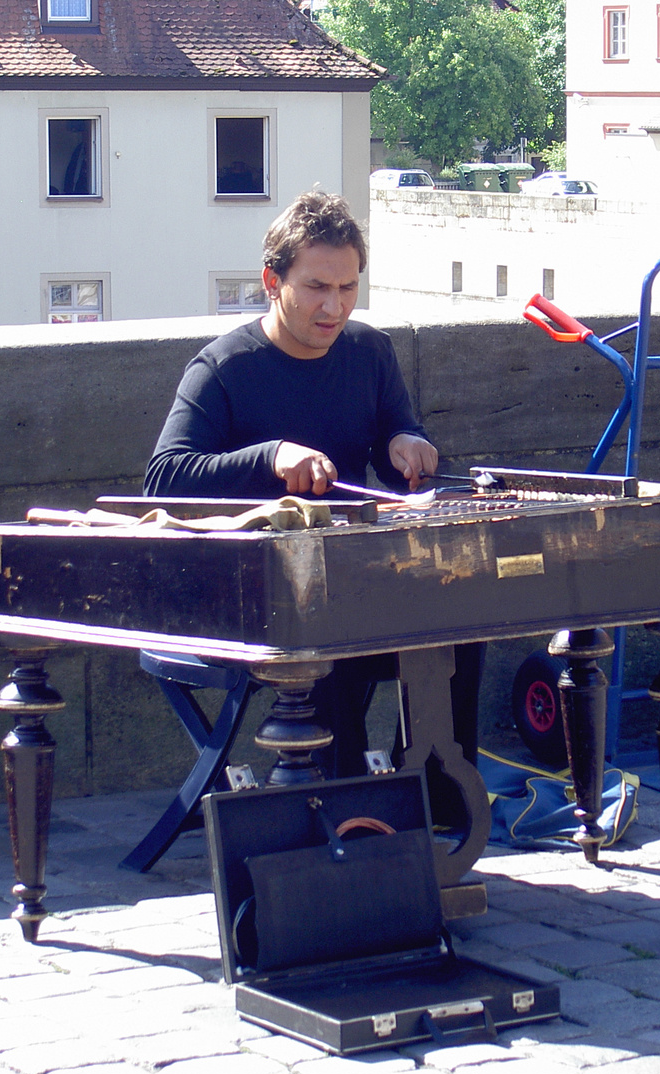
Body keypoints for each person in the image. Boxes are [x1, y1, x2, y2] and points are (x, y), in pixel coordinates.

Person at [144, 190, 480, 779]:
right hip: (251, 596)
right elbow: (164, 479)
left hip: (347, 579)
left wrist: (406, 441)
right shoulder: (223, 368)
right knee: (325, 635)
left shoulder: (369, 351)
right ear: (272, 282)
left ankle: (436, 799)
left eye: (348, 288)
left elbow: (391, 433)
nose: (335, 307)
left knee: (460, 626)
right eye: (317, 288)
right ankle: (339, 803)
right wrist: (270, 458)